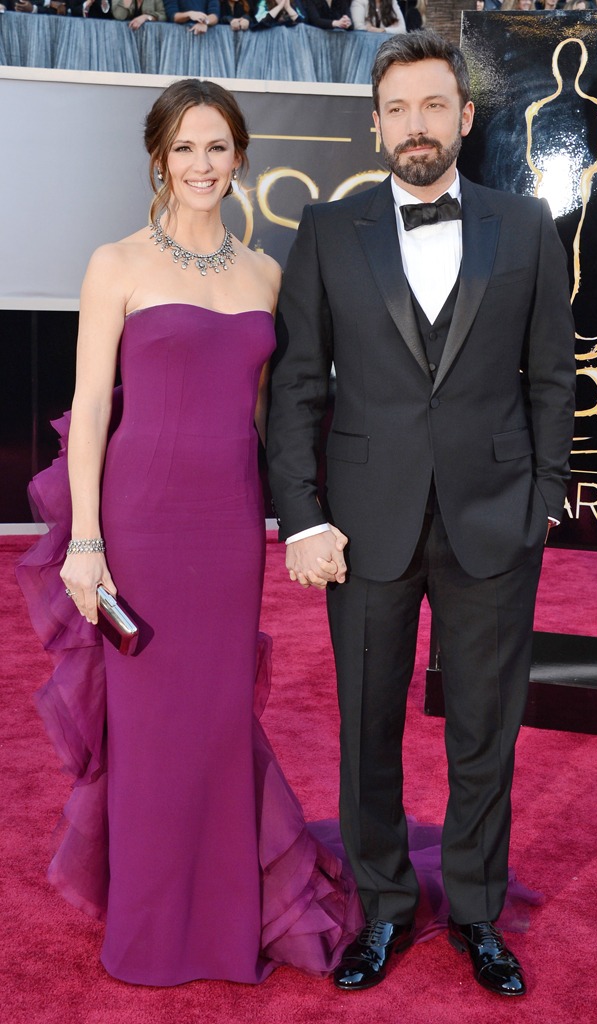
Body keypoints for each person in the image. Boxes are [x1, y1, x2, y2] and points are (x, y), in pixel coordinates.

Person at [16, 78, 368, 986]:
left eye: (217, 147)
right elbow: (91, 406)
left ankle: (222, 921)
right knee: (146, 731)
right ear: (159, 160)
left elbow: (272, 415)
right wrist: (85, 542)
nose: (201, 165)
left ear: (240, 155)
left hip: (225, 527)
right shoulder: (117, 263)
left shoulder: (264, 274)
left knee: (214, 724)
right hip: (137, 523)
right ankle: (149, 928)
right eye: (184, 148)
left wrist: (302, 516)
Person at [267, 29, 576, 997]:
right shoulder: (326, 228)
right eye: (397, 108)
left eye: (433, 106)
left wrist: (541, 497)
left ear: (464, 118)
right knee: (366, 726)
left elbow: (552, 378)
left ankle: (478, 911)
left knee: (484, 729)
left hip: (494, 518)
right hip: (363, 523)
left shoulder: (524, 226)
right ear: (374, 125)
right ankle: (384, 906)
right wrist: (304, 515)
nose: (415, 125)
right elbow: (296, 393)